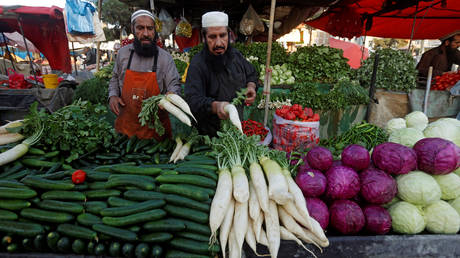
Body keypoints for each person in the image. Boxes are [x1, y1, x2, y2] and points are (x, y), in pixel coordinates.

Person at [108, 9, 181, 140]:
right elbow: (114, 78)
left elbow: (174, 85)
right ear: (132, 29)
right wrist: (112, 95)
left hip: (156, 131)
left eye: (150, 28)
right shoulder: (123, 54)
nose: (146, 33)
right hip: (126, 130)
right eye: (140, 28)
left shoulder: (165, 58)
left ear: (155, 30)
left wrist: (172, 95)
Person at [184, 11, 258, 136]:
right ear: (204, 37)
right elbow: (193, 100)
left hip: (236, 129)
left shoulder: (235, 56)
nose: (219, 43)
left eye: (223, 36)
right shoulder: (197, 64)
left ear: (229, 35)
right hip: (209, 135)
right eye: (212, 37)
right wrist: (215, 106)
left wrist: (251, 87)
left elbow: (251, 73)